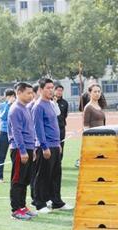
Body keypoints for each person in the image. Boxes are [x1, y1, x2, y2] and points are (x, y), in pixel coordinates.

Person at [31, 78, 72, 213]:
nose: (51, 90)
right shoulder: (38, 106)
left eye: (52, 88)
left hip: (55, 145)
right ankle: (40, 203)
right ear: (41, 89)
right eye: (48, 88)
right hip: (45, 146)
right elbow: (39, 129)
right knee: (42, 176)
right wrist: (44, 146)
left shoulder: (50, 104)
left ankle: (56, 201)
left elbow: (54, 125)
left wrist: (57, 144)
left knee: (55, 175)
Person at [7, 82, 37, 220]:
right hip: (20, 150)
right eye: (28, 93)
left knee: (25, 180)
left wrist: (33, 148)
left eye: (32, 93)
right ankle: (16, 210)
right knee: (18, 180)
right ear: (19, 93)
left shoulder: (25, 108)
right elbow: (17, 132)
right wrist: (23, 150)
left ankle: (23, 207)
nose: (31, 95)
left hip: (29, 148)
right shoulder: (15, 109)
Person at [0, 88, 16, 183]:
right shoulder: (1, 105)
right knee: (1, 156)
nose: (11, 98)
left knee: (15, 156)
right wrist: (8, 104)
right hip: (4, 132)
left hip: (15, 133)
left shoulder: (17, 106)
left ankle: (16, 177)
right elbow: (3, 116)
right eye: (9, 96)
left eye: (13, 96)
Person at [54, 85, 68, 159]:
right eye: (58, 90)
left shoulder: (65, 103)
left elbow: (65, 115)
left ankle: (59, 161)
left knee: (61, 144)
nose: (59, 92)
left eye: (61, 91)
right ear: (54, 91)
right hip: (52, 128)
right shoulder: (51, 101)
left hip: (61, 127)